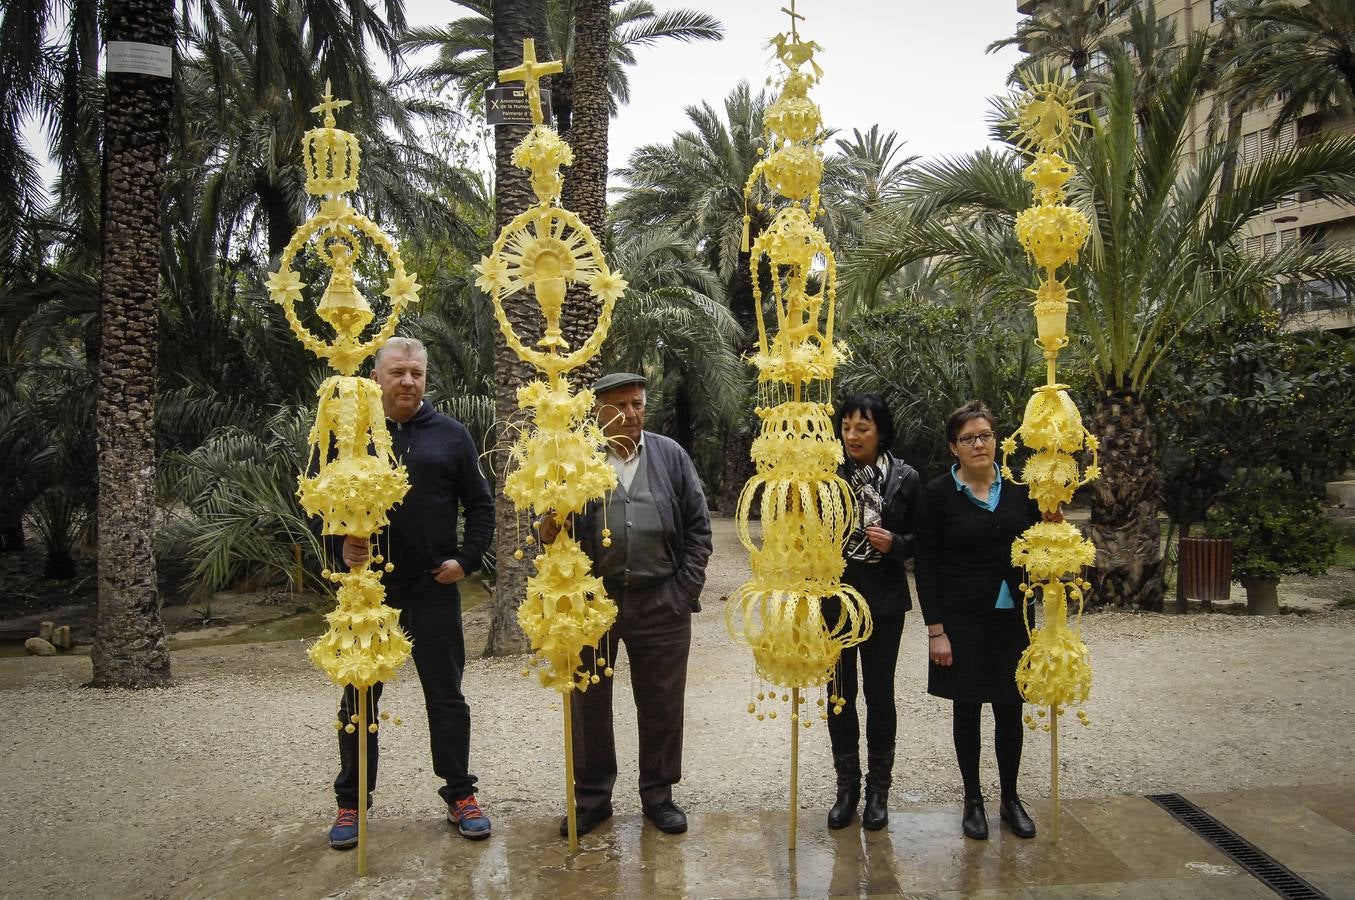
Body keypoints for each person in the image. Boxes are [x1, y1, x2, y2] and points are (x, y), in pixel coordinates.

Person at [326, 337, 495, 849]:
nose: (407, 381)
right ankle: (352, 803)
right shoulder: (351, 438)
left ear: (425, 378)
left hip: (432, 589)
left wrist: (465, 561)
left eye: (416, 373)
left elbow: (481, 505)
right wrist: (341, 550)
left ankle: (460, 794)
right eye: (397, 372)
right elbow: (325, 506)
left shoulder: (451, 435)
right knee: (358, 698)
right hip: (369, 592)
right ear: (376, 378)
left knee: (446, 697)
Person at [540, 372, 713, 837]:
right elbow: (547, 528)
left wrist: (685, 590)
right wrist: (548, 528)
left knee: (661, 702)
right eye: (620, 406)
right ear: (597, 411)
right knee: (588, 702)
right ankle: (593, 799)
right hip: (593, 601)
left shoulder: (669, 455)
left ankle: (659, 795)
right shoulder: (577, 458)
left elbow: (698, 526)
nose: (632, 414)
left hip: (662, 600)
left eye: (637, 403)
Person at [912, 400, 1039, 841]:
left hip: (1013, 617)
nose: (979, 444)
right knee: (967, 710)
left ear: (996, 439)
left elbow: (1042, 544)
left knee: (1010, 709)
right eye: (969, 438)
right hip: (961, 618)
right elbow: (925, 564)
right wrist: (936, 631)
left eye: (985, 435)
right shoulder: (937, 496)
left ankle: (1010, 798)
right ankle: (972, 799)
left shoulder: (1022, 490)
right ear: (954, 447)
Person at [825, 395, 920, 831]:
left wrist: (896, 545)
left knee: (880, 692)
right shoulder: (828, 478)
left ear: (880, 431)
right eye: (846, 427)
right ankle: (847, 788)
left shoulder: (906, 478)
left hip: (884, 601)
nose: (852, 436)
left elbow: (926, 539)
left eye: (862, 428)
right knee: (840, 693)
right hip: (837, 600)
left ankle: (879, 790)